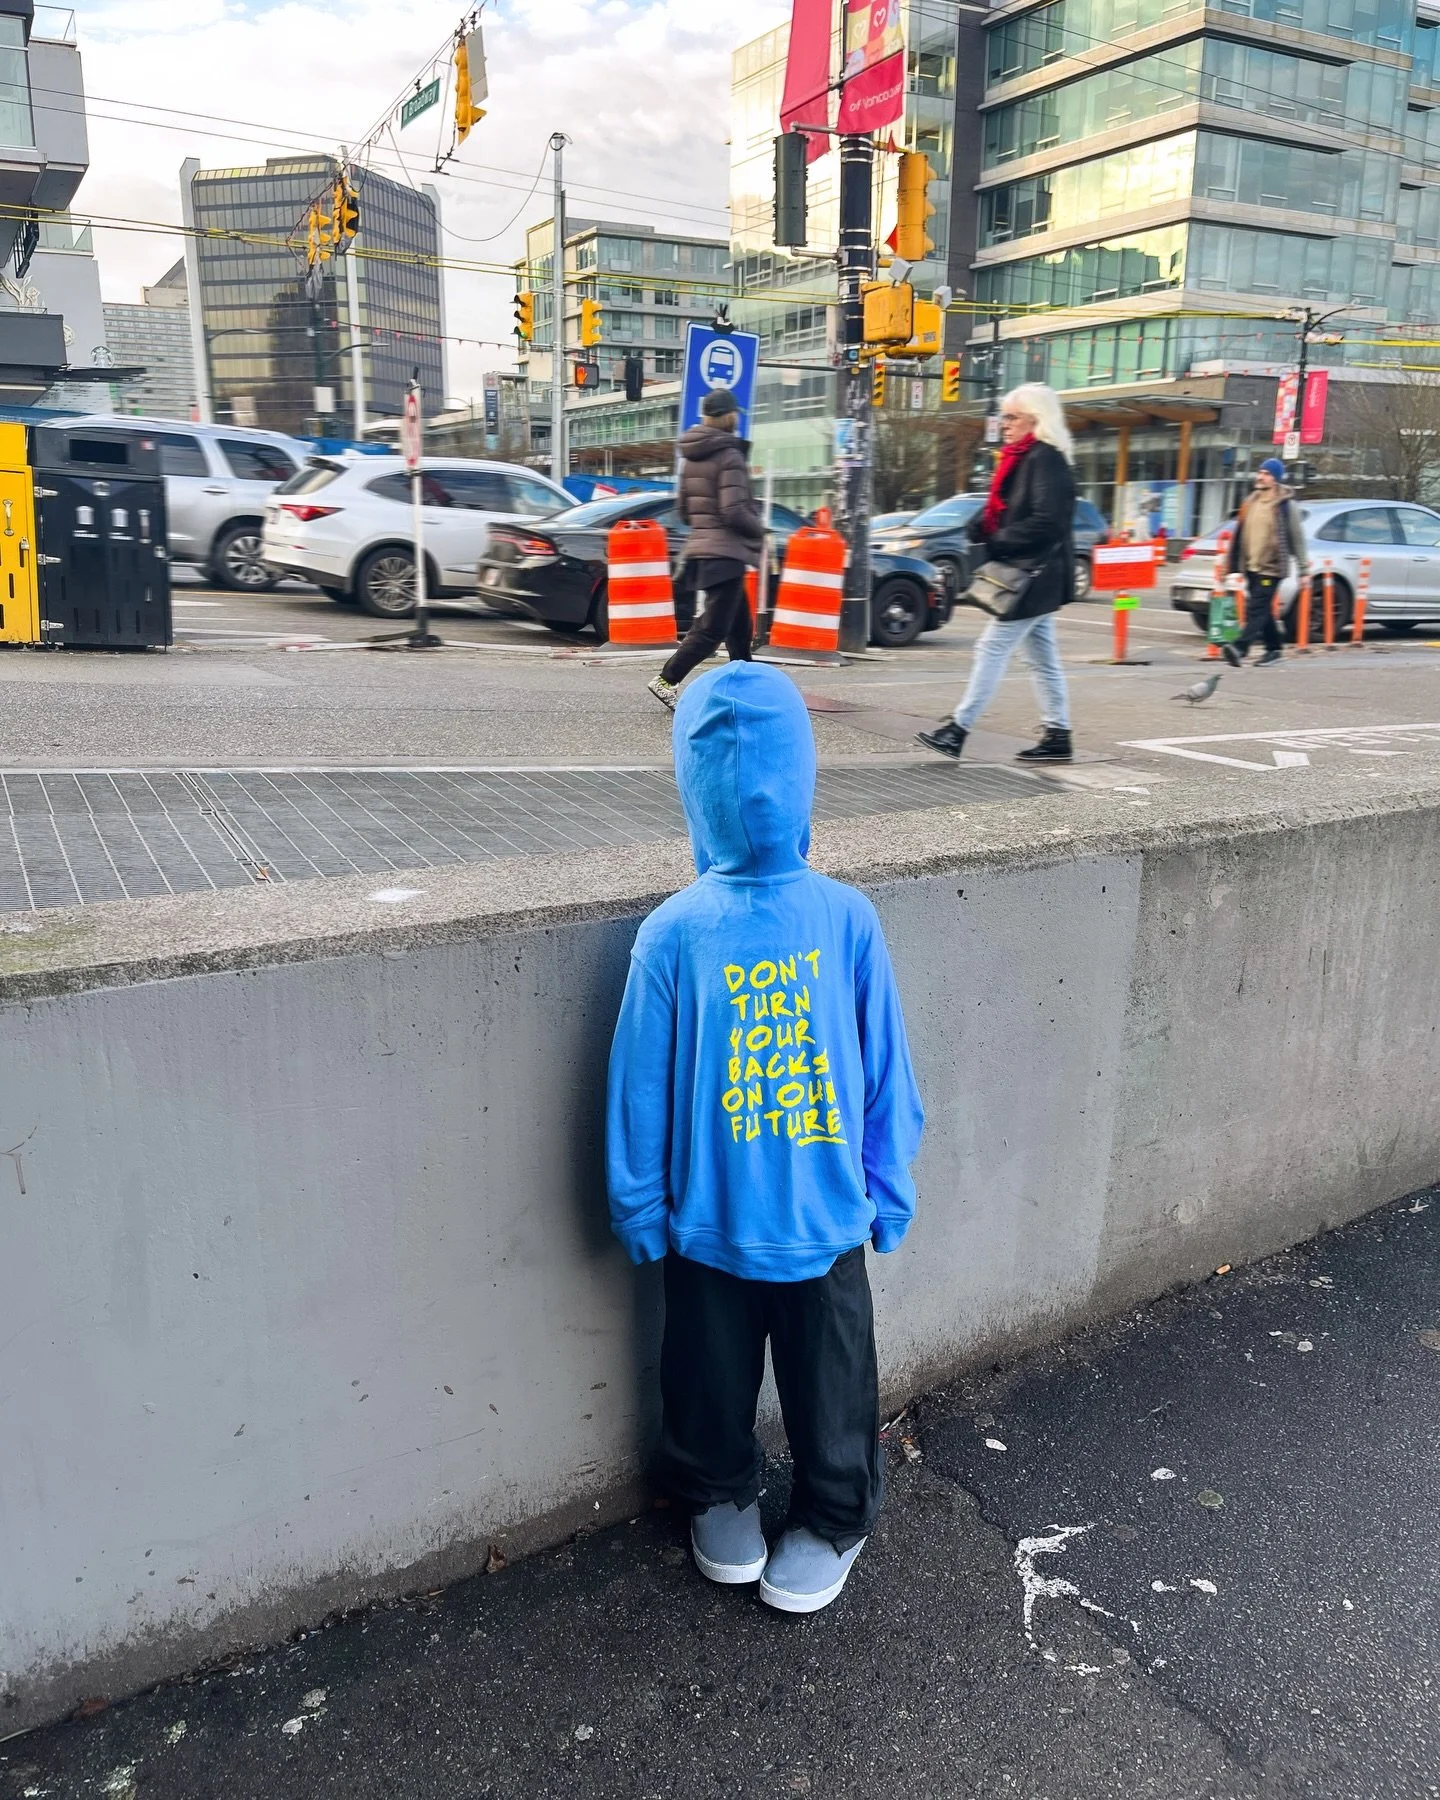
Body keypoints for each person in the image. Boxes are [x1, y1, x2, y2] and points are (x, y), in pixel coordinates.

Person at [607, 662, 924, 1614]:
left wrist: (886, 1189)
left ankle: (835, 1512)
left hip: (822, 1222)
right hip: (713, 1225)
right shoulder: (676, 935)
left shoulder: (844, 921)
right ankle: (719, 1490)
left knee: (833, 1387)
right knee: (709, 1380)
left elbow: (885, 1069)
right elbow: (641, 1086)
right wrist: (641, 1208)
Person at [917, 383, 1078, 763]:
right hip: (1034, 575)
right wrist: (981, 527)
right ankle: (1058, 735)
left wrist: (997, 540)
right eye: (1003, 416)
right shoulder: (1024, 457)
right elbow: (1011, 508)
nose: (1004, 424)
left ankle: (958, 729)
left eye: (1012, 417)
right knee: (1042, 659)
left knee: (992, 648)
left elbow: (1048, 522)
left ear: (1035, 420)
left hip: (1034, 575)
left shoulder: (1046, 458)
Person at [647, 389, 764, 712]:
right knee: (712, 628)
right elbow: (733, 510)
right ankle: (667, 679)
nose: (737, 418)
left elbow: (684, 511)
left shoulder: (690, 458)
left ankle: (746, 686)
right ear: (728, 416)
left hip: (703, 550)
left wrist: (706, 523)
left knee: (739, 627)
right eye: (735, 414)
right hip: (726, 553)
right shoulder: (730, 456)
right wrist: (759, 528)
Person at [1224, 458, 1308, 667]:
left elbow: (1297, 538)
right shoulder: (1250, 501)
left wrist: (1304, 570)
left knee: (1256, 608)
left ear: (1276, 479)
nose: (1261, 476)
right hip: (1251, 566)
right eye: (1260, 472)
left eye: (1267, 474)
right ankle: (1274, 649)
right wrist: (1233, 564)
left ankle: (1240, 648)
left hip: (1272, 567)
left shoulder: (1285, 505)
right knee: (1263, 610)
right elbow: (1239, 533)